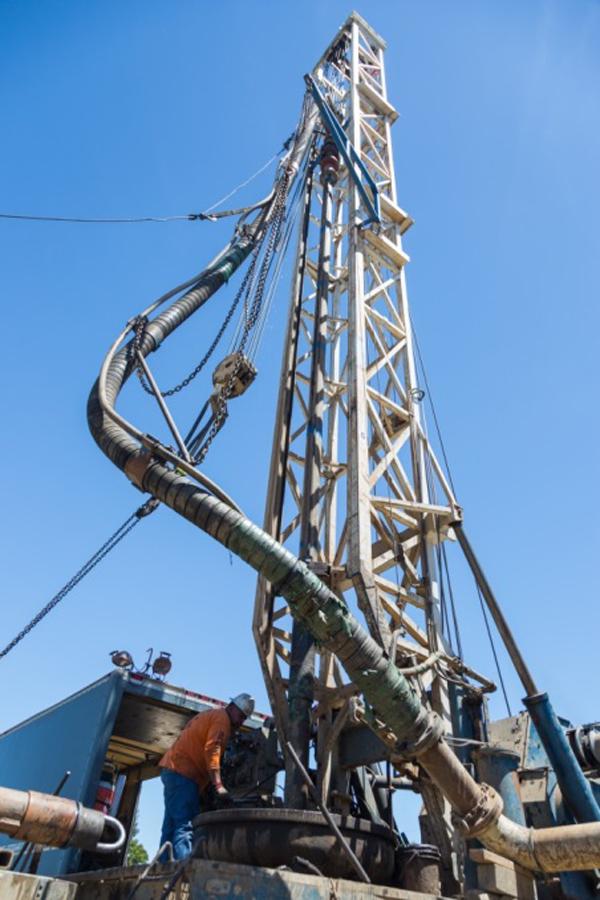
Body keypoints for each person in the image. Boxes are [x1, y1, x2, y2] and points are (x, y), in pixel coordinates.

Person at [158, 692, 255, 860]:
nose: (241, 722)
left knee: (171, 825)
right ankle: (185, 870)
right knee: (185, 826)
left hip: (173, 770)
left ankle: (162, 868)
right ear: (232, 708)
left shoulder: (211, 715)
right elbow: (212, 749)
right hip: (184, 774)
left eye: (244, 719)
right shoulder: (222, 719)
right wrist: (218, 785)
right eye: (240, 716)